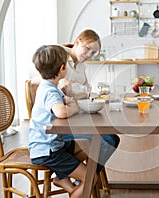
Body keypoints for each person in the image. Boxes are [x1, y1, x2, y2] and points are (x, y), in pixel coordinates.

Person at [28, 45, 88, 197]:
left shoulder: (47, 86)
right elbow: (61, 112)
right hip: (48, 150)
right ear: (62, 68)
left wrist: (68, 99)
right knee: (89, 177)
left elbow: (61, 103)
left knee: (87, 146)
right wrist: (73, 108)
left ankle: (62, 177)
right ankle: (67, 179)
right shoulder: (50, 91)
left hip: (50, 144)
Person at [59, 29, 120, 173]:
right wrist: (62, 81)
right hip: (61, 124)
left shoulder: (81, 66)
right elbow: (35, 78)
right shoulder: (59, 54)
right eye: (87, 49)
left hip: (77, 118)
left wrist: (81, 94)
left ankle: (84, 181)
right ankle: (85, 182)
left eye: (93, 53)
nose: (88, 55)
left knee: (113, 139)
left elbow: (87, 89)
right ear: (78, 42)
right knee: (109, 140)